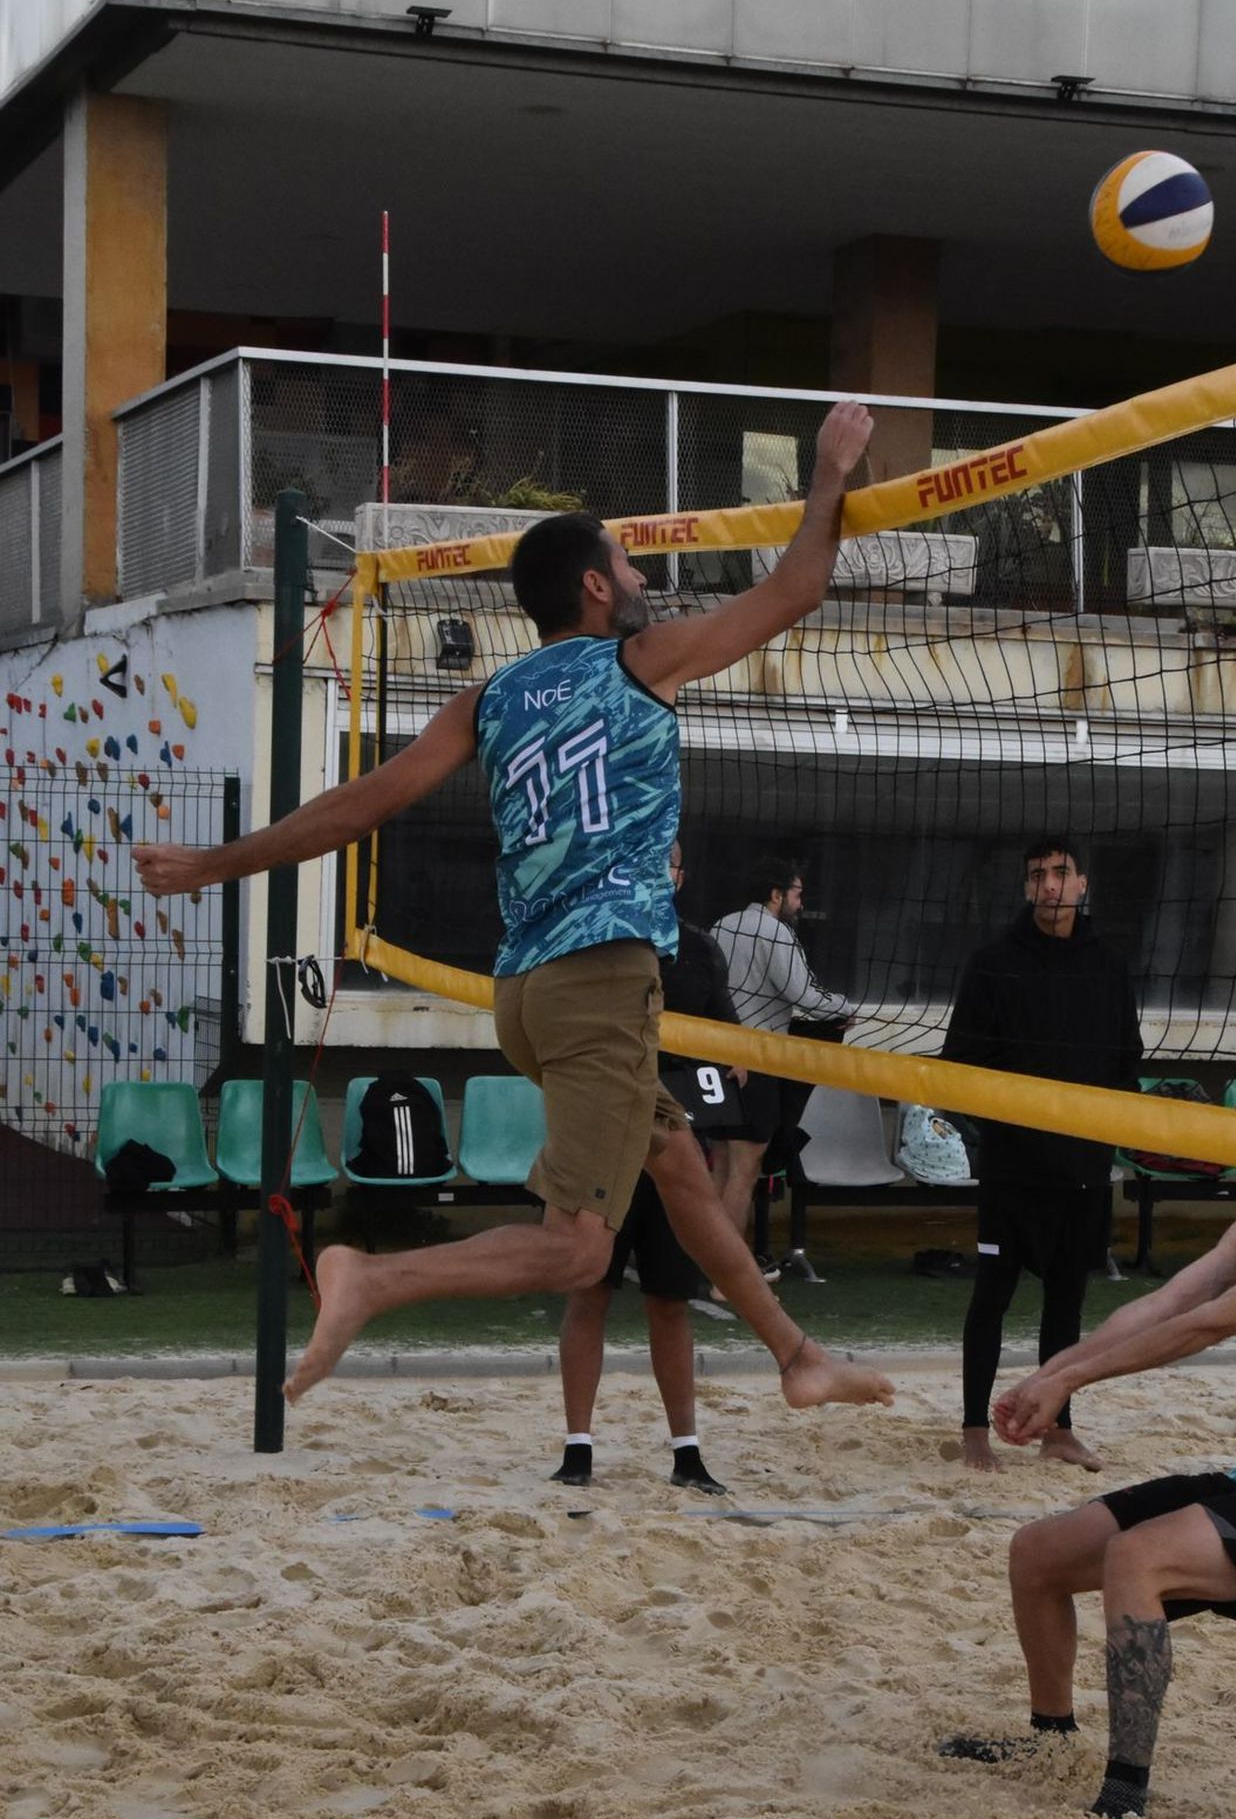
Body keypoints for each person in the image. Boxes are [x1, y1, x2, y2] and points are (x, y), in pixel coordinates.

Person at [133, 402, 893, 1416]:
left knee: (675, 1162)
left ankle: (796, 1352)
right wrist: (832, 470)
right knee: (579, 1250)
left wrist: (219, 862)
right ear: (592, 586)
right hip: (602, 978)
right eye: (627, 567)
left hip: (523, 992)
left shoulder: (488, 698)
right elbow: (798, 586)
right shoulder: (641, 658)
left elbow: (359, 803)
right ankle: (370, 1277)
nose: (640, 581)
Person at [939, 1084, 1236, 1819]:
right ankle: (1050, 1738)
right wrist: (1046, 1377)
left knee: (1137, 1556)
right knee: (1038, 1554)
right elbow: (1160, 1306)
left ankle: (1123, 1798)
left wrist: (1067, 1378)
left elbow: (1207, 1323)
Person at [943, 839, 1143, 1474]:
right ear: (1026, 887)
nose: (1050, 885)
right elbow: (960, 1064)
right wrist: (992, 1132)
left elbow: (1124, 1064)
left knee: (1066, 1306)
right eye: (1038, 875)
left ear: (1082, 884)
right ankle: (976, 1428)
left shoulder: (1109, 967)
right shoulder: (992, 962)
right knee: (991, 1299)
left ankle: (1059, 1427)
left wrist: (1122, 1126)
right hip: (1012, 1167)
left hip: (1082, 1168)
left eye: (1061, 874)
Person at [552, 840, 742, 1496]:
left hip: (676, 1144)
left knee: (670, 1301)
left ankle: (686, 1452)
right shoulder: (595, 938)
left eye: (668, 860)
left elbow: (733, 1050)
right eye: (646, 857)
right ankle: (578, 1446)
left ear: (681, 874)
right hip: (605, 1137)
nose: (657, 869)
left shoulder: (700, 952)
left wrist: (713, 1112)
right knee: (589, 1289)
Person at [710, 855, 855, 1253]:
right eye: (797, 894)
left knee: (720, 1168)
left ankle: (701, 1267)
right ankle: (727, 1274)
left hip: (716, 1060)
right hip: (755, 1063)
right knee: (744, 1172)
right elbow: (802, 993)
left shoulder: (721, 926)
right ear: (776, 895)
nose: (801, 903)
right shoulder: (774, 932)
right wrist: (846, 1008)